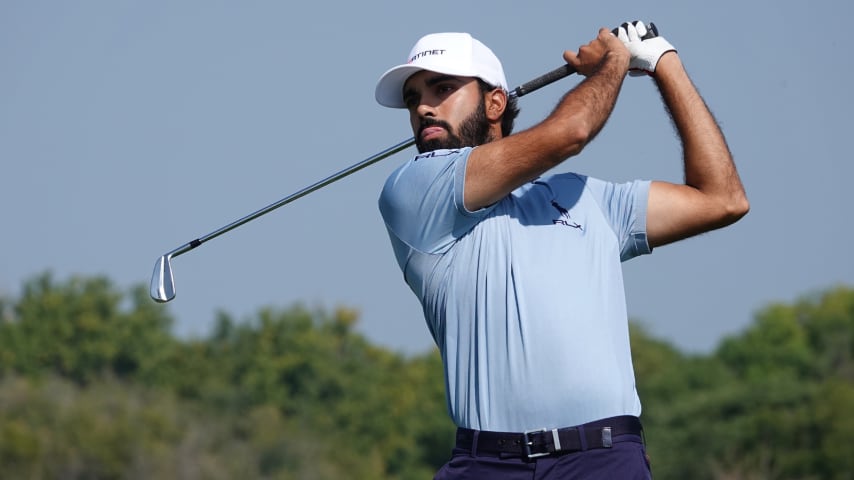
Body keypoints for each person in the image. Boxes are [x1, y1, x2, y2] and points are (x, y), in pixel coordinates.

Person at [374, 21, 748, 479]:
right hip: (487, 463)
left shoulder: (584, 197)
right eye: (414, 99)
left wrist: (662, 62)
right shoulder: (414, 189)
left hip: (603, 458)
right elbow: (571, 131)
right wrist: (614, 62)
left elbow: (723, 199)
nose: (424, 108)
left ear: (495, 102)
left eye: (442, 89)